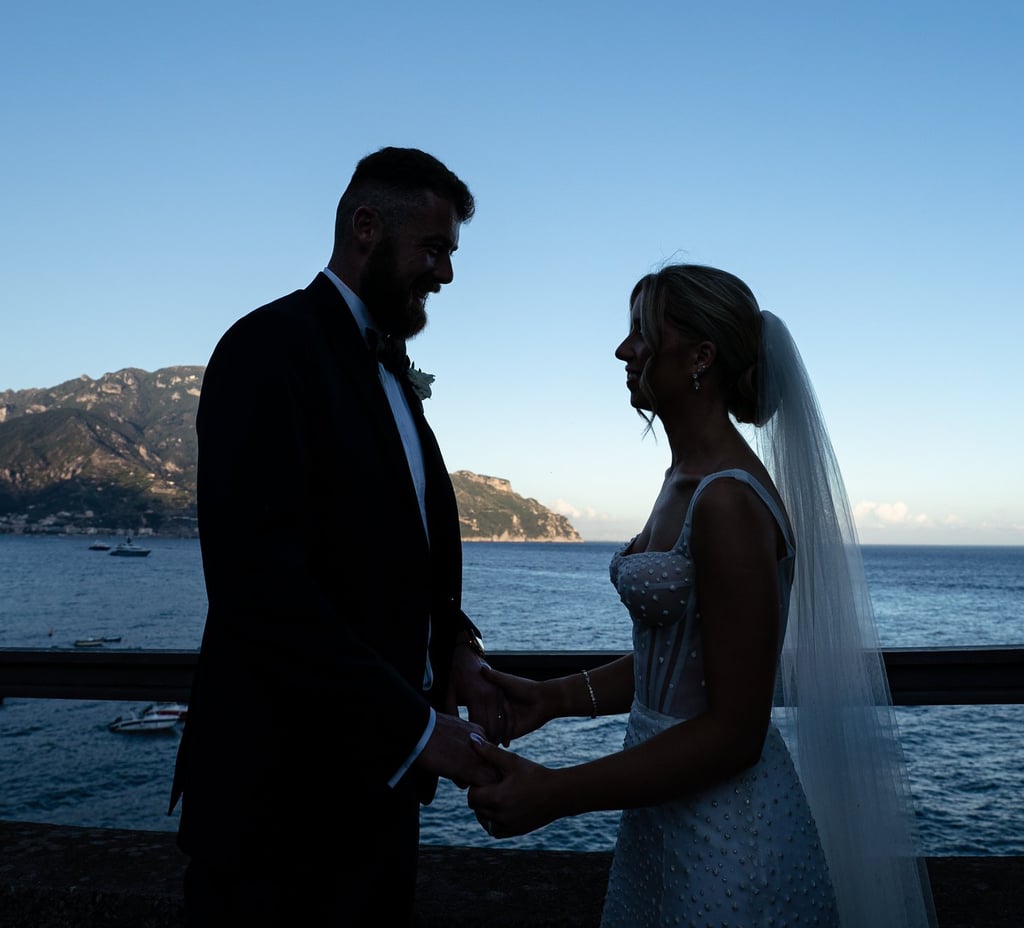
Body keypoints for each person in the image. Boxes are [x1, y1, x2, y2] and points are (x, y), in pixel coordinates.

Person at [467, 264, 938, 927]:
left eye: (640, 332)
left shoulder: (727, 500)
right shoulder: (681, 480)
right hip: (662, 819)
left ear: (700, 356)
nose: (623, 350)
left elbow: (736, 733)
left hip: (730, 843)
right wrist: (553, 698)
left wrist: (555, 792)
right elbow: (687, 663)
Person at [168, 146, 504, 927]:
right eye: (435, 248)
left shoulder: (391, 374)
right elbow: (261, 589)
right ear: (365, 228)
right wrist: (422, 730)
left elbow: (393, 556)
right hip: (277, 818)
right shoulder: (266, 349)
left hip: (377, 807)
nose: (446, 275)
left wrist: (454, 646)